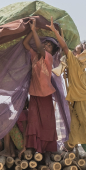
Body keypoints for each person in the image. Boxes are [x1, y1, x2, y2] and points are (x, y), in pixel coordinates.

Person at [46, 17, 86, 170]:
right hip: (80, 101)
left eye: (77, 50)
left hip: (85, 102)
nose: (73, 51)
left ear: (81, 55)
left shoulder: (75, 63)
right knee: (79, 131)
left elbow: (65, 47)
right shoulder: (79, 67)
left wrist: (55, 31)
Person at [20, 19, 58, 157]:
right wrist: (31, 31)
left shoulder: (48, 57)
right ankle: (35, 148)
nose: (46, 46)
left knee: (47, 122)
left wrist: (35, 30)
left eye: (49, 46)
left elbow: (41, 49)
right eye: (45, 44)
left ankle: (48, 149)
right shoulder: (35, 57)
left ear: (51, 52)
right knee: (34, 120)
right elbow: (25, 43)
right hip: (35, 94)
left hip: (45, 94)